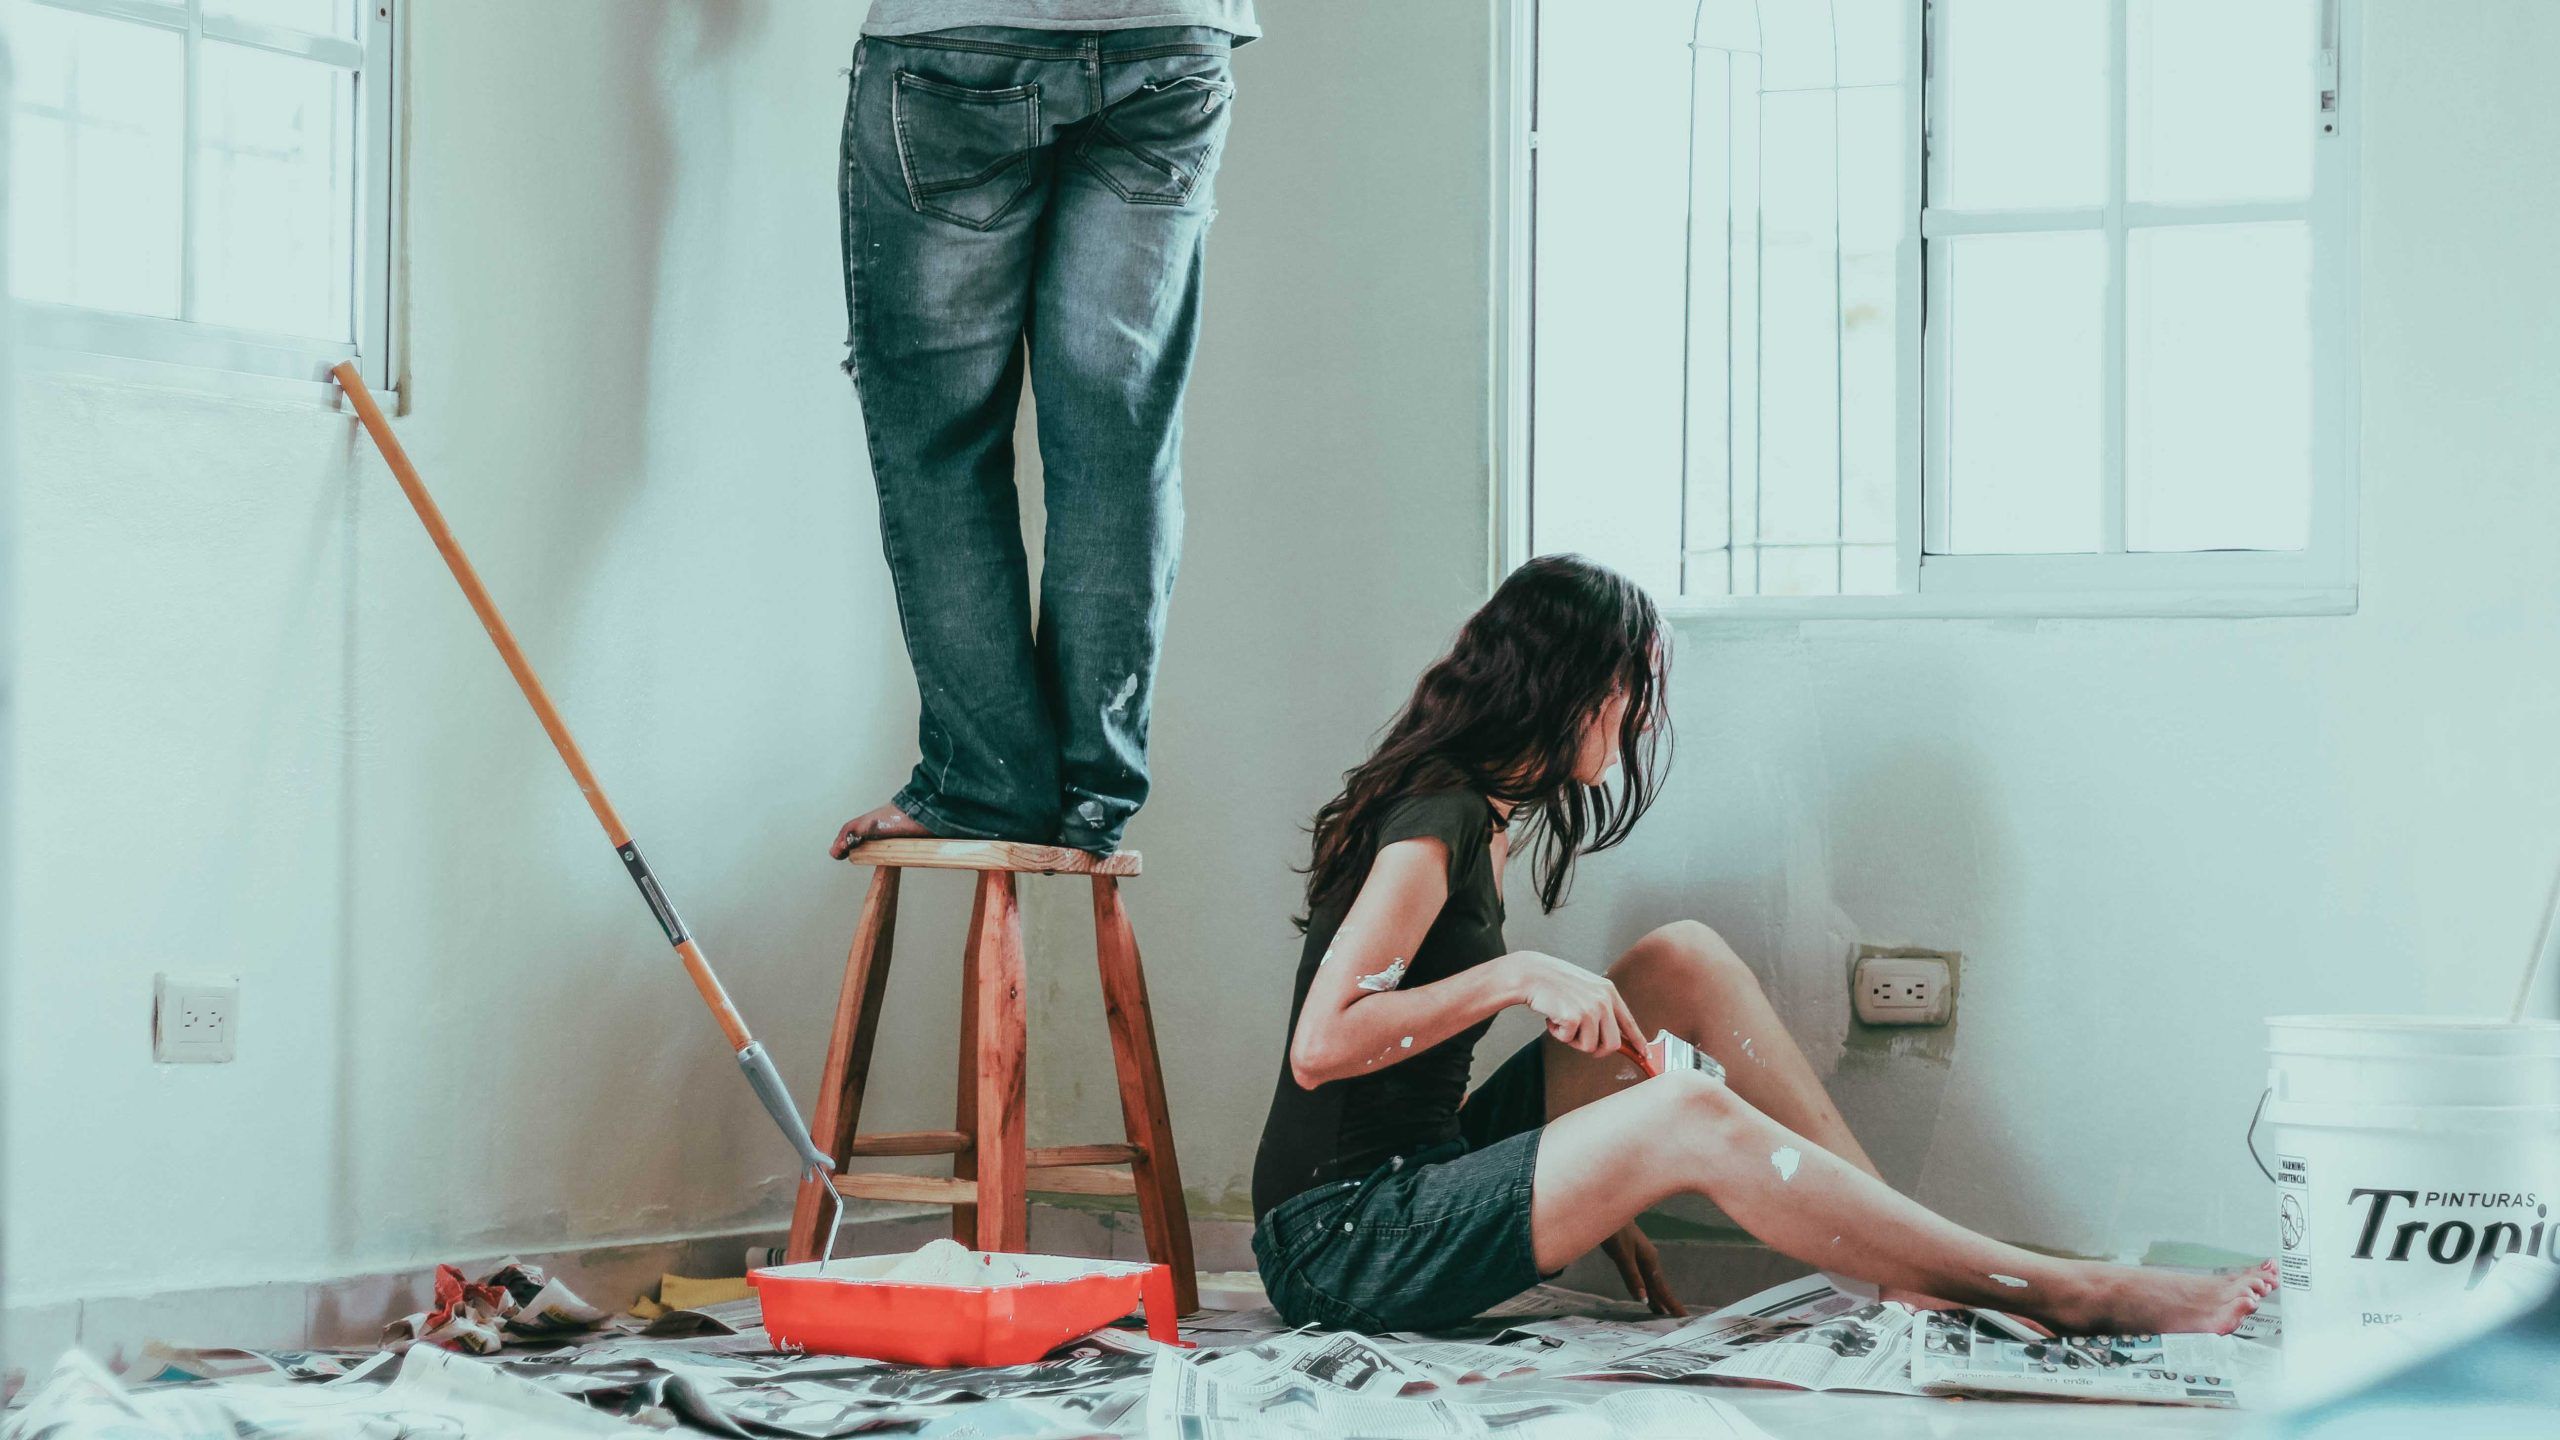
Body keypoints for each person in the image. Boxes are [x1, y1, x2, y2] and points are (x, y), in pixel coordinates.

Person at [1249, 553, 2277, 1335]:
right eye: (1633, 689)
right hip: (1341, 1238)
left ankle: (1895, 1257)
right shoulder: (1441, 819)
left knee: (1679, 959)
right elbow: (1323, 1046)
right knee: (1683, 1107)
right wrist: (1515, 975)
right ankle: (2072, 1288)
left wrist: (1577, 1179)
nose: (1641, 722)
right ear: (1580, 688)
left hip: (1420, 1170)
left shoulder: (1484, 812)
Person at [829, 2, 1258, 859]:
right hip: (1171, 35)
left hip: (956, 40)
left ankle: (984, 785)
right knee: (1119, 445)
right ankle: (1092, 796)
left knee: (942, 447)